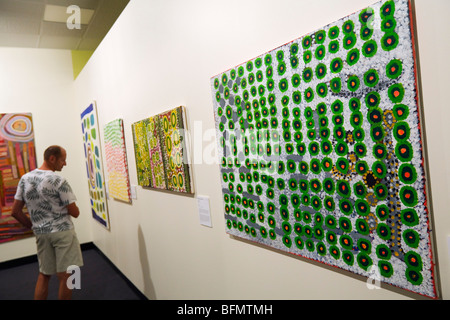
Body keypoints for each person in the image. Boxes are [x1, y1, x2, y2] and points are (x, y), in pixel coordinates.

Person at [12, 145, 83, 300]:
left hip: (41, 233)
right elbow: (74, 212)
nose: (65, 163)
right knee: (69, 274)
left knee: (44, 274)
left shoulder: (25, 179)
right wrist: (75, 210)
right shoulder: (58, 180)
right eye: (63, 160)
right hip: (63, 233)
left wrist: (33, 225)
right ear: (52, 159)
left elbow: (15, 212)